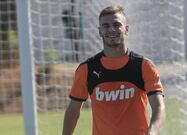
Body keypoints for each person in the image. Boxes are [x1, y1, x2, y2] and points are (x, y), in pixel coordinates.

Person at [62, 5, 165, 135]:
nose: (111, 29)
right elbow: (73, 110)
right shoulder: (86, 69)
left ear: (126, 29)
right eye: (105, 26)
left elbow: (158, 107)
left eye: (117, 25)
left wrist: (152, 131)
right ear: (99, 31)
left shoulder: (144, 66)